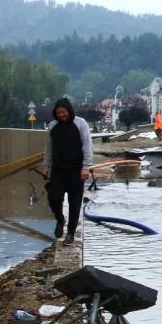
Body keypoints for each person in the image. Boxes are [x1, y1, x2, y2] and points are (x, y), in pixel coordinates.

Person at [42, 98, 93, 246]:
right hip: (58, 169)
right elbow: (48, 148)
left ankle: (70, 233)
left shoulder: (80, 124)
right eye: (58, 113)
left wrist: (86, 167)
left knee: (74, 202)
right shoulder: (52, 126)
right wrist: (46, 166)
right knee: (54, 198)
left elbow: (87, 145)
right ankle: (60, 219)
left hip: (76, 170)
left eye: (64, 112)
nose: (62, 115)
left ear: (69, 111)